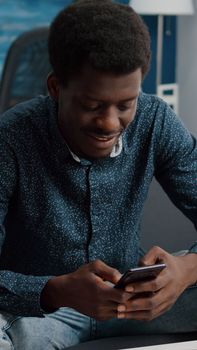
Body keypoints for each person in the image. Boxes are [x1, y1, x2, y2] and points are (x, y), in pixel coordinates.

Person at [0, 0, 197, 349]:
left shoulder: (156, 121)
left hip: (135, 304)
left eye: (125, 105)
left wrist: (187, 269)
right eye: (92, 106)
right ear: (56, 88)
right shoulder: (10, 140)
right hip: (39, 317)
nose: (109, 124)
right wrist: (54, 289)